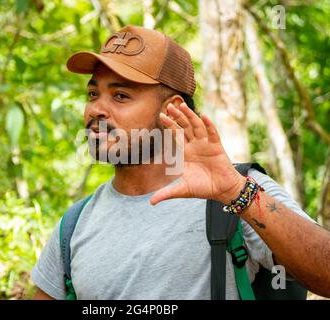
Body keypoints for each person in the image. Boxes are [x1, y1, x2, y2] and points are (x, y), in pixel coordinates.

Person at [31, 25, 330, 300]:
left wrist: (236, 193)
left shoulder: (237, 192)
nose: (96, 109)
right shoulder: (74, 225)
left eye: (120, 95)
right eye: (93, 93)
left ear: (171, 111)